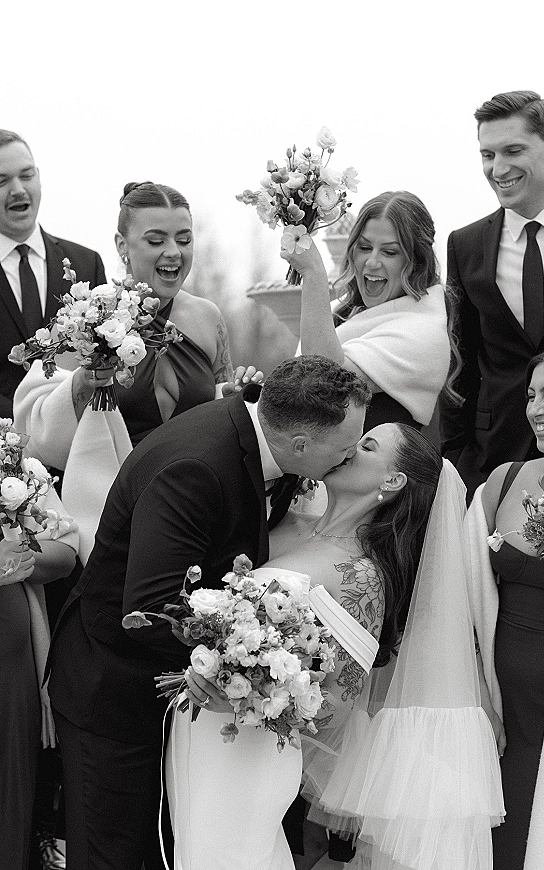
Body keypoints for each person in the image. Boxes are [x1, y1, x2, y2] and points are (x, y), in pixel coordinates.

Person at [47, 355, 371, 870]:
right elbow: (152, 605)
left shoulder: (260, 439)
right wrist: (250, 656)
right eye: (348, 443)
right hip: (112, 688)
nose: (352, 452)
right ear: (302, 444)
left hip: (162, 696)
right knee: (115, 855)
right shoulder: (196, 467)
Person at [165, 423, 504, 869]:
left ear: (393, 480)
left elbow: (335, 704)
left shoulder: (361, 575)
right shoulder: (285, 524)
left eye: (367, 446)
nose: (349, 448)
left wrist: (241, 695)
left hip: (247, 749)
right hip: (199, 732)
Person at [14, 180, 257, 570]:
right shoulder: (89, 318)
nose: (173, 252)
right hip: (112, 514)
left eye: (184, 238)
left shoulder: (207, 317)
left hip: (193, 511)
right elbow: (36, 417)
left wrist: (235, 394)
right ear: (122, 245)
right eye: (156, 240)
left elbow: (216, 410)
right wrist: (83, 381)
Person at [468, 336, 544, 870]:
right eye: (531, 395)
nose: (535, 409)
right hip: (502, 706)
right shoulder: (504, 481)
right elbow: (466, 586)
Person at [440, 90, 544, 501]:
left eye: (512, 150)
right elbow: (459, 363)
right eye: (488, 155)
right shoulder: (465, 245)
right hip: (493, 463)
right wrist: (457, 460)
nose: (498, 168)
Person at [282, 190, 457, 433]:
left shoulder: (423, 332)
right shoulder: (341, 314)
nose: (372, 262)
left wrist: (313, 275)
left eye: (389, 252)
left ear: (417, 261)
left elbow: (322, 382)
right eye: (364, 247)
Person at [0, 129, 106, 419]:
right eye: (2, 181)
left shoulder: (86, 264)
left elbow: (101, 359)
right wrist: (25, 431)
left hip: (75, 447)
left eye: (27, 175)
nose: (18, 189)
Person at [0, 485, 78, 870]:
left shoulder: (9, 462)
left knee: (9, 808)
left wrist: (18, 554)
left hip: (11, 671)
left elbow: (65, 551)